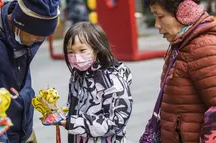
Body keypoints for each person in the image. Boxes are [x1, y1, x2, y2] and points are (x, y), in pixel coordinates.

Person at [0, 0, 60, 142]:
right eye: (35, 35)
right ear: (19, 23)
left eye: (42, 37)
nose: (38, 40)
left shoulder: (28, 31)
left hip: (24, 128)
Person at [143, 0, 216, 142]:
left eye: (160, 16)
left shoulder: (202, 48)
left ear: (185, 12)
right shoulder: (181, 45)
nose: (157, 25)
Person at [60, 22, 133, 143]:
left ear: (97, 48)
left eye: (82, 50)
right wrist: (60, 115)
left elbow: (117, 121)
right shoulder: (76, 76)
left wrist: (74, 123)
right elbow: (74, 108)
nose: (76, 57)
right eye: (71, 52)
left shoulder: (111, 79)